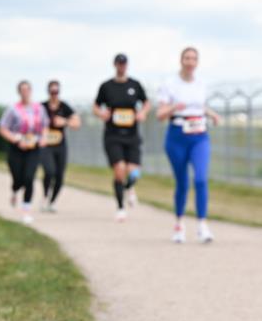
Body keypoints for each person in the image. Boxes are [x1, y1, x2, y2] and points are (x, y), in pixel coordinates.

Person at [156, 47, 222, 243]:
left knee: (201, 179)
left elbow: (199, 106)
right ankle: (179, 224)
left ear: (197, 62)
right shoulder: (170, 84)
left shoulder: (201, 84)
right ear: (181, 60)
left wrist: (212, 114)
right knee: (182, 182)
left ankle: (202, 225)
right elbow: (160, 115)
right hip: (177, 135)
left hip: (199, 135)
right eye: (187, 58)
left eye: (194, 58)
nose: (190, 61)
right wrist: (174, 106)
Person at [94, 53, 151, 222]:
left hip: (132, 135)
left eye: (124, 63)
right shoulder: (106, 86)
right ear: (114, 65)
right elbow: (96, 106)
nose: (122, 66)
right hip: (113, 135)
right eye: (119, 63)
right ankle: (120, 208)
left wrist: (143, 112)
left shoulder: (135, 85)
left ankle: (129, 188)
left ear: (127, 65)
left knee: (133, 172)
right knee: (119, 169)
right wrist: (101, 113)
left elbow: (146, 102)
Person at [0, 81, 49, 224]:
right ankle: (15, 190)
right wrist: (15, 140)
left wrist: (44, 138)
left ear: (31, 91)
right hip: (17, 147)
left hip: (34, 147)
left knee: (29, 177)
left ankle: (26, 209)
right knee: (18, 178)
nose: (25, 92)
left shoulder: (39, 109)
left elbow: (45, 126)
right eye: (23, 90)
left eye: (27, 89)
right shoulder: (13, 109)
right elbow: (2, 128)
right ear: (19, 92)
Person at [40, 80, 81, 212]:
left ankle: (52, 202)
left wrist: (65, 121)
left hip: (60, 145)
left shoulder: (64, 107)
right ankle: (45, 195)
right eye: (52, 92)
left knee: (60, 176)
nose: (54, 94)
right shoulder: (41, 107)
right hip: (45, 145)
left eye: (56, 92)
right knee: (49, 171)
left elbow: (76, 123)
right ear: (48, 92)